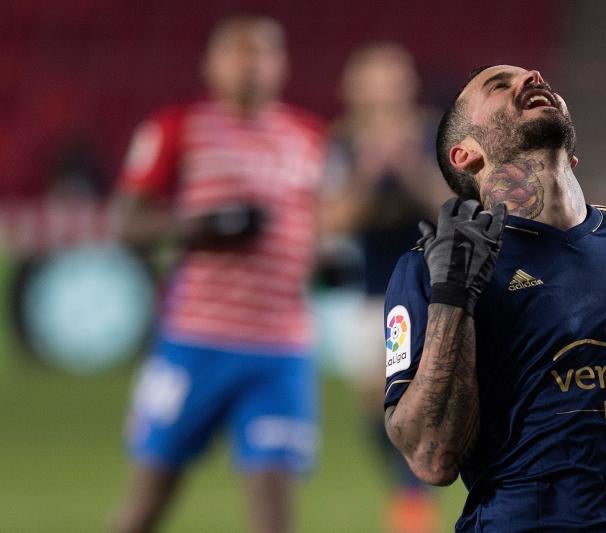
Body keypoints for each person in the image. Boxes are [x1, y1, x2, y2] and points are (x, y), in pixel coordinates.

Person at [383, 65, 606, 532]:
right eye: (498, 85)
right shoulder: (434, 268)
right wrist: (452, 298)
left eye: (526, 73)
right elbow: (430, 458)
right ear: (465, 154)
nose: (529, 76)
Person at [110, 16, 325, 533]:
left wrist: (322, 258)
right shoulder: (177, 128)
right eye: (238, 53)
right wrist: (201, 226)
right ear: (211, 64)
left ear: (282, 64)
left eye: (263, 53)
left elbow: (318, 223)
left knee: (274, 508)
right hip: (195, 340)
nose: (250, 65)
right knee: (148, 500)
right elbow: (128, 223)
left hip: (280, 348)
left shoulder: (309, 137)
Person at [321, 42, 449, 533]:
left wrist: (411, 169)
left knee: (432, 394)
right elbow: (331, 220)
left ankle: (416, 494)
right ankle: (408, 484)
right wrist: (369, 173)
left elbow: (454, 210)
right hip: (372, 290)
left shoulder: (436, 134)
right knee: (376, 398)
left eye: (391, 82)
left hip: (435, 285)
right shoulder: (341, 143)